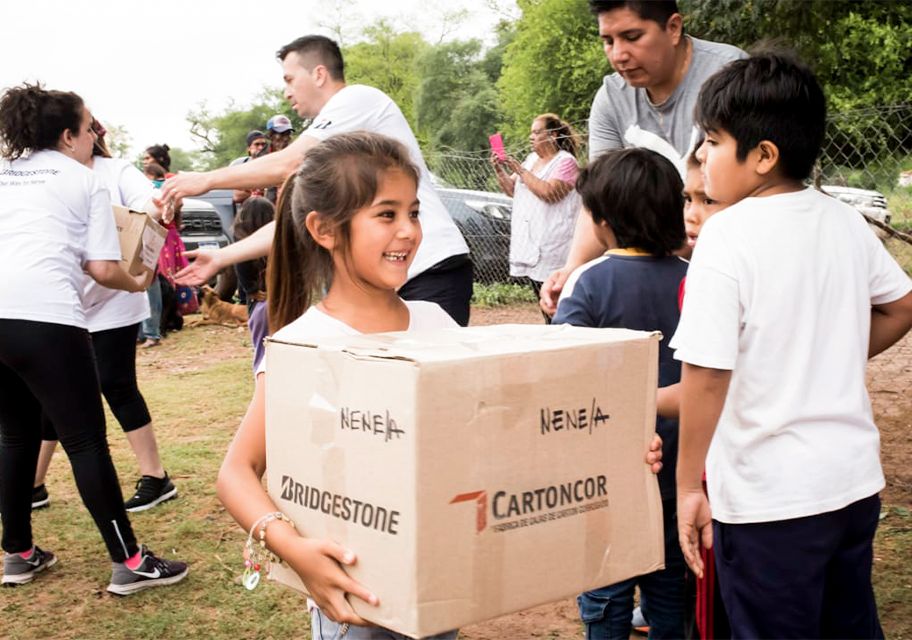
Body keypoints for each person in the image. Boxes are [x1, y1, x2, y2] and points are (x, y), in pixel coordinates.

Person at [671, 52, 912, 638]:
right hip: (852, 487)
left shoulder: (727, 235)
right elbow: (903, 305)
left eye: (712, 140)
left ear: (762, 156)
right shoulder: (844, 221)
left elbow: (706, 376)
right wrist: (830, 354)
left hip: (769, 504)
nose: (702, 155)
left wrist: (685, 487)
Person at [216, 132, 460, 640]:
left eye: (413, 212)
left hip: (441, 588)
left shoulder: (438, 323)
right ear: (324, 229)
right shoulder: (304, 345)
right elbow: (237, 471)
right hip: (353, 606)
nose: (409, 232)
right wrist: (293, 548)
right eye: (386, 215)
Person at [0, 83, 188, 593]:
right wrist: (142, 280)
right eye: (88, 130)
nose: (93, 139)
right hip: (49, 318)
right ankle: (129, 563)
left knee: (13, 436)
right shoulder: (83, 181)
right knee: (85, 441)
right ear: (67, 136)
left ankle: (17, 553)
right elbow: (104, 269)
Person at [161, 35, 472, 326]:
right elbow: (297, 222)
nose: (287, 92)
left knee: (424, 380)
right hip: (386, 279)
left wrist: (205, 180)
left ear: (319, 74)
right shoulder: (329, 152)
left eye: (290, 79)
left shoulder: (358, 99)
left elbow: (289, 161)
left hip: (429, 267)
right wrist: (222, 256)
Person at [552, 148, 689, 639]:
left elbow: (565, 371)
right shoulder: (693, 279)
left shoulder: (588, 282)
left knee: (605, 587)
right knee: (673, 588)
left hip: (606, 471)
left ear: (604, 221)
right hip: (680, 466)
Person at [539, 0, 745, 315]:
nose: (618, 54)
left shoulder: (729, 76)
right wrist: (572, 270)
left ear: (673, 28)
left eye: (632, 37)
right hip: (656, 267)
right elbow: (600, 196)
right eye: (608, 41)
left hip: (733, 266)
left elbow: (749, 191)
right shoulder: (611, 98)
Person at [32, 120, 178, 514]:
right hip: (65, 300)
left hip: (115, 294)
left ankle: (156, 476)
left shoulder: (115, 171)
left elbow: (147, 200)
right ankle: (34, 484)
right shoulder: (45, 173)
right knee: (50, 392)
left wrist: (156, 205)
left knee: (116, 383)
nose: (90, 136)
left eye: (91, 129)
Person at [491, 113, 580, 310]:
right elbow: (512, 189)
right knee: (543, 301)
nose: (531, 137)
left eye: (537, 132)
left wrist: (521, 171)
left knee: (557, 303)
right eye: (531, 133)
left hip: (554, 246)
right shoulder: (531, 159)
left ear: (553, 135)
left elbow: (549, 192)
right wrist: (500, 170)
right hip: (531, 243)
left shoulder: (566, 162)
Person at [232, 194, 277, 370]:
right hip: (279, 297)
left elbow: (240, 266)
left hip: (259, 300)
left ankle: (262, 386)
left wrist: (249, 290)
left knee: (261, 351)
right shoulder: (279, 238)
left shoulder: (242, 239)